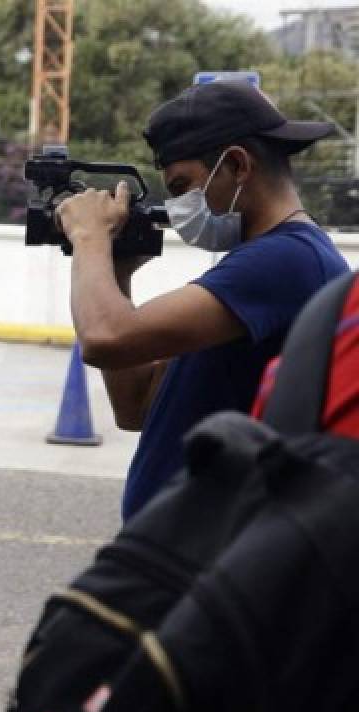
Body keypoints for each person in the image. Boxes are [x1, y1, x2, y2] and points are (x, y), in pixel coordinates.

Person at [56, 80, 349, 520]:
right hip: (179, 557)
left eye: (182, 187)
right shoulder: (255, 266)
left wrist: (88, 236)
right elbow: (135, 406)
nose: (177, 208)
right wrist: (117, 267)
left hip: (211, 562)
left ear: (236, 164)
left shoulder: (287, 260)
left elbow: (104, 336)